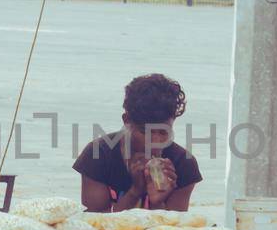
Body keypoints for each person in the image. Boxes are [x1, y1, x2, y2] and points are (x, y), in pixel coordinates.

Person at [74, 74, 202, 212]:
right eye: (145, 132)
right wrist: (135, 192)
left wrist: (157, 204)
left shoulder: (183, 164)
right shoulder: (98, 155)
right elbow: (96, 225)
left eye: (163, 132)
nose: (155, 143)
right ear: (126, 120)